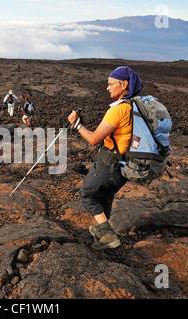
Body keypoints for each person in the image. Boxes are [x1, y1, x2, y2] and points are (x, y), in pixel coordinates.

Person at [67, 66, 143, 250]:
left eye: (110, 84)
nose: (107, 88)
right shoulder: (136, 106)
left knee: (87, 194)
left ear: (124, 85)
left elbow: (94, 139)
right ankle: (102, 233)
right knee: (106, 196)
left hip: (110, 163)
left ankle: (108, 236)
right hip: (126, 164)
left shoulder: (118, 110)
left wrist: (76, 125)